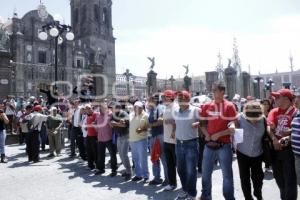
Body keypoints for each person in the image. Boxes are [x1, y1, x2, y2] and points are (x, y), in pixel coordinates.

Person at [199, 81, 237, 200]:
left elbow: (234, 126)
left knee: (227, 176)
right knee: (205, 174)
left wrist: (219, 134)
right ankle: (206, 196)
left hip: (224, 146)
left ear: (222, 92)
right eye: (212, 90)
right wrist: (206, 134)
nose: (212, 92)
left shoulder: (229, 106)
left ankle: (229, 197)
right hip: (209, 146)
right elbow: (202, 123)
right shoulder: (206, 106)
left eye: (215, 90)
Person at [267, 88, 298, 200]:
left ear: (286, 99)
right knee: (279, 179)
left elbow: (296, 132)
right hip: (275, 150)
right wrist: (274, 140)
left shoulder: (295, 113)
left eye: (277, 97)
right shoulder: (273, 111)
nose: (274, 99)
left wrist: (285, 140)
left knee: (290, 180)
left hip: (289, 151)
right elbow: (269, 127)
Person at [235, 101, 265, 200]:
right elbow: (230, 124)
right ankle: (248, 197)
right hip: (243, 152)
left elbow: (268, 128)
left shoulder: (263, 119)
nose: (255, 122)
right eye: (252, 120)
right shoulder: (239, 118)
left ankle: (258, 192)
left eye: (257, 119)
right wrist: (232, 126)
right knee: (244, 178)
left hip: (258, 153)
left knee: (258, 177)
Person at [174, 90, 200, 200]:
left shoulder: (195, 110)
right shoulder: (176, 111)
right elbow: (176, 123)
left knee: (191, 170)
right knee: (180, 169)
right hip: (178, 143)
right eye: (178, 99)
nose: (179, 101)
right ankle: (185, 189)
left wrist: (197, 123)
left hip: (191, 143)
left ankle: (192, 193)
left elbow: (205, 121)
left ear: (188, 100)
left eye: (182, 99)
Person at [147, 94, 168, 186]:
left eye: (150, 99)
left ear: (154, 100)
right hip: (153, 136)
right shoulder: (152, 109)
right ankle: (157, 178)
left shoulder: (160, 107)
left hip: (160, 136)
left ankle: (168, 179)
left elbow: (160, 121)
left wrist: (150, 125)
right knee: (154, 158)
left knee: (163, 158)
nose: (148, 100)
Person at [110, 102, 132, 181]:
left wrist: (115, 123)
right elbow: (110, 124)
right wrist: (116, 123)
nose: (112, 109)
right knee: (121, 154)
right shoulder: (113, 114)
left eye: (113, 107)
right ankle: (127, 170)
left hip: (125, 136)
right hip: (119, 136)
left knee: (124, 155)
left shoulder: (124, 113)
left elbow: (124, 125)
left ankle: (129, 172)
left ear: (118, 108)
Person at [95, 102, 117, 177]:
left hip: (109, 138)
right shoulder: (98, 115)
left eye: (104, 107)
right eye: (101, 107)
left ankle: (114, 170)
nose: (103, 109)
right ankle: (101, 169)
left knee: (112, 155)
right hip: (100, 138)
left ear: (107, 108)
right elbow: (96, 125)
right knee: (101, 155)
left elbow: (113, 126)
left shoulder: (111, 114)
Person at [129, 101, 149, 182]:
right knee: (135, 158)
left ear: (142, 108)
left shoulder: (146, 115)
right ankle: (138, 175)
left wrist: (143, 129)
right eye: (135, 107)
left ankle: (146, 175)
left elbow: (149, 127)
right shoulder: (131, 114)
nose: (136, 109)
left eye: (138, 107)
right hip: (132, 139)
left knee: (143, 159)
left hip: (141, 140)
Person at [162, 90, 177, 191]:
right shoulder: (166, 107)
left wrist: (173, 132)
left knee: (179, 165)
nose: (162, 99)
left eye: (164, 97)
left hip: (174, 141)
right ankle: (172, 184)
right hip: (166, 140)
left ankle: (185, 186)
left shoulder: (175, 107)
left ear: (169, 97)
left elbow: (178, 120)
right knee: (170, 164)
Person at [84, 104, 98, 170]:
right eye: (86, 109)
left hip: (95, 136)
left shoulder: (95, 114)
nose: (88, 110)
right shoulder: (87, 115)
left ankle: (97, 166)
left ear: (92, 108)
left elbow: (97, 124)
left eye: (89, 108)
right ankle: (90, 165)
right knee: (88, 151)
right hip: (89, 135)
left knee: (95, 151)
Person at [291, 90, 300, 186]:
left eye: (299, 98)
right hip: (297, 156)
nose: (296, 100)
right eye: (296, 97)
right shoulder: (296, 113)